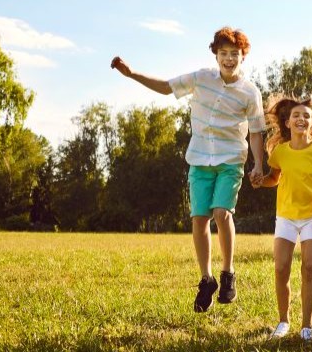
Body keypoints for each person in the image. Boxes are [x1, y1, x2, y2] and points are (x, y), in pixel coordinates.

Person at [110, 27, 265, 312]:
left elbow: (256, 132)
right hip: (199, 158)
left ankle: (228, 274)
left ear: (243, 57)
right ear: (216, 55)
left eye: (235, 54)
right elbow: (167, 86)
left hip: (231, 160)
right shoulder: (201, 78)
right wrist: (132, 75)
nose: (229, 59)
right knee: (199, 219)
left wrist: (258, 163)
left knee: (221, 212)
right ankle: (206, 280)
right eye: (224, 53)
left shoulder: (249, 92)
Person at [254, 92, 312, 341]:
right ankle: (283, 321)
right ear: (288, 123)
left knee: (309, 266)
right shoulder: (280, 151)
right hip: (286, 217)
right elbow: (273, 179)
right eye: (296, 115)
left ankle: (306, 326)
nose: (301, 119)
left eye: (306, 116)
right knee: (281, 268)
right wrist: (260, 181)